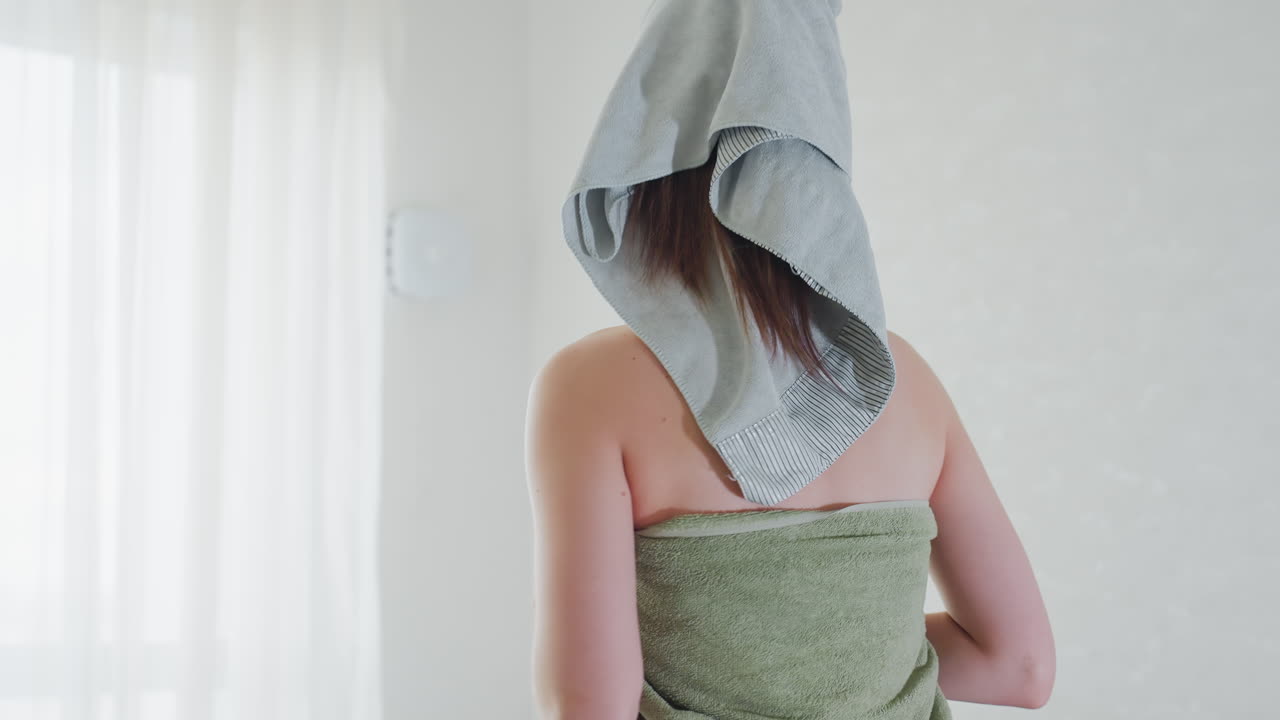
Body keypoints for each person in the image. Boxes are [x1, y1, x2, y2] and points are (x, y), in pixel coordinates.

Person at [526, 151, 1056, 719]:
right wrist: (842, 653)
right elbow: (1018, 666)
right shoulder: (898, 376)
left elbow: (588, 705)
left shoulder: (593, 384)